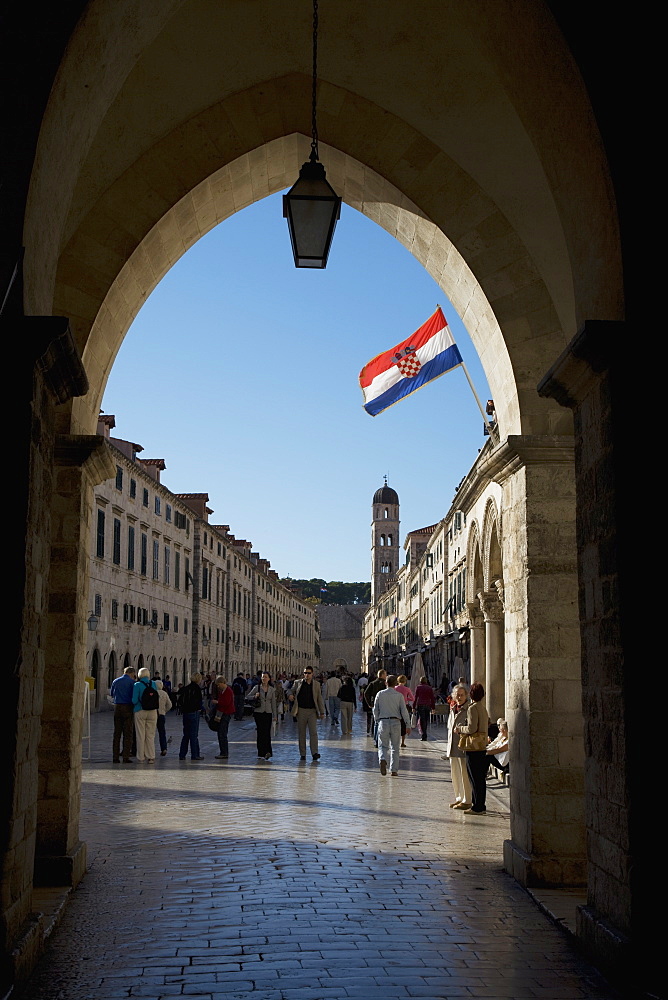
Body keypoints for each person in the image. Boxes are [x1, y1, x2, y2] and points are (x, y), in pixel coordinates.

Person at [455, 681, 490, 814]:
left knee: (474, 777)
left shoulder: (472, 708)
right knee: (480, 777)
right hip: (482, 745)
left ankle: (478, 806)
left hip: (473, 747)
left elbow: (471, 728)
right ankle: (480, 804)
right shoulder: (483, 708)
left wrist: (460, 729)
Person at [372, 674, 411, 776]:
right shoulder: (399, 696)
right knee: (395, 747)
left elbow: (375, 709)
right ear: (395, 684)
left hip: (383, 722)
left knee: (382, 746)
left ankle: (383, 758)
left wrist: (377, 720)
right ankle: (394, 770)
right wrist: (408, 724)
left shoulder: (380, 694)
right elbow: (404, 711)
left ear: (386, 683)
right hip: (395, 722)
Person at [289, 666, 325, 761]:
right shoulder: (298, 683)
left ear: (312, 674)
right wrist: (290, 695)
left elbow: (319, 699)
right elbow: (290, 690)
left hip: (312, 711)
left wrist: (322, 712)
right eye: (305, 673)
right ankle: (303, 754)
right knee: (302, 733)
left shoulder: (316, 684)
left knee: (313, 733)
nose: (306, 675)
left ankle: (314, 753)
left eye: (308, 673)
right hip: (301, 711)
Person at [445, 684, 472, 808]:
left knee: (464, 774)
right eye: (457, 695)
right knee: (455, 773)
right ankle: (459, 797)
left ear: (466, 695)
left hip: (463, 746)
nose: (459, 697)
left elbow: (471, 727)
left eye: (461, 695)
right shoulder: (453, 708)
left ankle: (467, 799)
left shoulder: (469, 709)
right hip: (452, 746)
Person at [132, 666, 159, 763]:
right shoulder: (153, 684)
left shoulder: (137, 685)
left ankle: (141, 757)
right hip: (152, 712)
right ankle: (151, 756)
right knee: (150, 735)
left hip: (140, 711)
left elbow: (134, 700)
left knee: (140, 735)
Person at [248, 671, 278, 761]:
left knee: (267, 733)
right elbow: (248, 696)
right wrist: (254, 696)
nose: (264, 678)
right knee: (260, 733)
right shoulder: (257, 688)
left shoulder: (272, 690)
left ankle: (267, 752)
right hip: (259, 712)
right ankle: (261, 752)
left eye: (265, 677)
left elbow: (273, 703)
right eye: (262, 677)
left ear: (269, 679)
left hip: (268, 712)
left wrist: (275, 715)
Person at [110, 665, 136, 763]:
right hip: (128, 708)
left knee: (117, 733)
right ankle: (125, 756)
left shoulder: (115, 681)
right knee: (128, 733)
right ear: (132, 673)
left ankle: (115, 757)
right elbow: (134, 696)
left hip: (117, 707)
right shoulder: (132, 683)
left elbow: (112, 694)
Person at [179, 672, 204, 760]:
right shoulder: (197, 689)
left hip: (186, 713)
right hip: (194, 712)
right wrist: (200, 709)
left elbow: (180, 700)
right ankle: (195, 754)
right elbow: (199, 702)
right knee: (194, 735)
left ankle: (182, 754)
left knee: (186, 734)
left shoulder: (186, 688)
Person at [212, 675, 235, 759]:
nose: (218, 686)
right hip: (222, 713)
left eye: (218, 684)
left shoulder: (228, 691)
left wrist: (217, 702)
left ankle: (224, 753)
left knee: (222, 734)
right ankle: (223, 752)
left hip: (226, 714)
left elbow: (226, 703)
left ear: (222, 683)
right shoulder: (222, 691)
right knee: (220, 733)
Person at [363, 670, 387, 740]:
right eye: (385, 674)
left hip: (374, 704)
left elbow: (366, 693)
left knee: (375, 721)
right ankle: (381, 737)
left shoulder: (372, 683)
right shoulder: (385, 684)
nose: (386, 676)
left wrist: (369, 704)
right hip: (384, 704)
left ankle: (375, 737)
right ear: (382, 675)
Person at [414, 675, 436, 741]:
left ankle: (424, 735)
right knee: (425, 720)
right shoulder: (429, 688)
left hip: (420, 705)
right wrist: (433, 708)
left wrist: (413, 706)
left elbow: (416, 697)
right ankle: (425, 733)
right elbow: (432, 698)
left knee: (422, 720)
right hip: (427, 705)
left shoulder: (418, 687)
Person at [395, 674, 414, 748]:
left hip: (396, 707)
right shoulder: (407, 689)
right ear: (405, 681)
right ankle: (402, 742)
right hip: (404, 706)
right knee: (404, 724)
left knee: (396, 723)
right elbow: (412, 699)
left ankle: (396, 741)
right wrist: (406, 698)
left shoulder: (395, 688)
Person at [155, 679, 173, 756]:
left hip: (153, 714)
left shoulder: (153, 692)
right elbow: (170, 705)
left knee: (151, 733)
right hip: (162, 715)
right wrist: (164, 711)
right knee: (162, 732)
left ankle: (150, 749)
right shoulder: (164, 693)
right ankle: (164, 748)